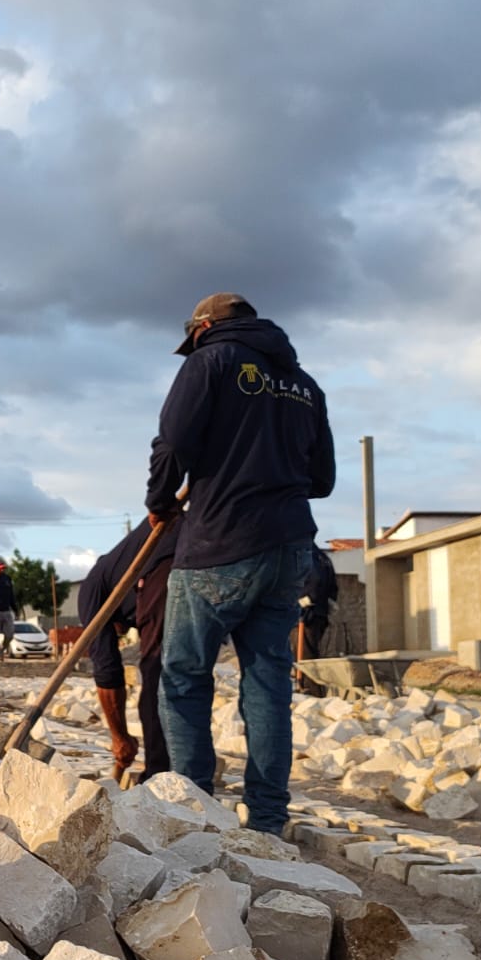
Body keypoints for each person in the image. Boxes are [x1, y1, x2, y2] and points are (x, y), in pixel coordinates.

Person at [146, 292, 335, 836]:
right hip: (290, 548)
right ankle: (268, 822)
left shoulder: (211, 361)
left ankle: (193, 812)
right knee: (268, 680)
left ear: (203, 327)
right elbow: (322, 481)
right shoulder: (306, 385)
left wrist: (161, 499)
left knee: (182, 675)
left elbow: (173, 439)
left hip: (220, 543)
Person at [76, 517, 182, 786]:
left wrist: (119, 737)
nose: (122, 633)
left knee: (157, 672)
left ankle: (160, 780)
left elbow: (107, 670)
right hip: (213, 547)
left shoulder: (92, 591)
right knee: (188, 673)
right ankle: (191, 775)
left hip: (169, 564)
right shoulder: (116, 571)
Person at [297, 545, 339, 694]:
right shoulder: (323, 557)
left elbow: (315, 579)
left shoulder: (306, 553)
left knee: (305, 655)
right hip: (319, 613)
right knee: (310, 652)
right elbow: (333, 584)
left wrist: (306, 598)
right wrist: (330, 601)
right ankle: (311, 688)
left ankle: (311, 690)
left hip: (306, 614)